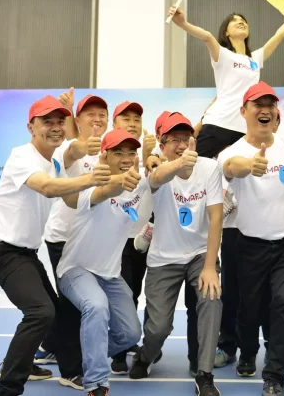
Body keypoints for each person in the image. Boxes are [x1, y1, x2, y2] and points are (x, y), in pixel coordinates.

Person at [0, 95, 110, 396]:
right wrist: (91, 178)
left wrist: (107, 188)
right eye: (46, 122)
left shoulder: (53, 160)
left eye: (58, 121)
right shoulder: (22, 156)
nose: (54, 127)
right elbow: (47, 188)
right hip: (4, 253)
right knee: (41, 312)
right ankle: (8, 385)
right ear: (31, 127)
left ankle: (37, 363)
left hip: (26, 253)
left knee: (54, 310)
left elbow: (69, 197)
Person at [218, 82, 284, 396]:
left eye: (271, 104)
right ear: (244, 111)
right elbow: (230, 168)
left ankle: (274, 377)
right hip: (248, 245)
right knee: (249, 308)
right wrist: (247, 165)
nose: (266, 110)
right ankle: (246, 350)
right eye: (258, 104)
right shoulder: (232, 152)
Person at [131, 113, 224, 396]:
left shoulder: (209, 168)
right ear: (162, 144)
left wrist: (210, 265)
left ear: (194, 141)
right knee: (159, 327)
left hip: (198, 254)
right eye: (174, 140)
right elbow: (156, 178)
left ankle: (204, 373)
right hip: (163, 258)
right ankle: (146, 355)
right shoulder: (157, 166)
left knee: (211, 298)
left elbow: (216, 216)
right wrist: (176, 163)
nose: (182, 145)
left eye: (187, 139)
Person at [55, 128, 148, 396]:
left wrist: (152, 161)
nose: (126, 157)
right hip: (76, 269)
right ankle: (96, 383)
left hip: (110, 274)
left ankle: (84, 356)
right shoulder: (90, 184)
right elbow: (104, 192)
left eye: (131, 152)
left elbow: (157, 176)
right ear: (104, 155)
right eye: (118, 152)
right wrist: (122, 180)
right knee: (96, 306)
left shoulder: (138, 183)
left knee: (130, 334)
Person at [33, 94, 109, 390]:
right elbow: (73, 151)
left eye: (102, 113)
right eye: (90, 114)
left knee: (76, 306)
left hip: (90, 242)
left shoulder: (110, 148)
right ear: (75, 121)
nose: (97, 119)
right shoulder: (67, 147)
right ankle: (71, 370)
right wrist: (79, 144)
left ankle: (46, 346)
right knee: (70, 306)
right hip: (63, 240)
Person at [167, 5, 284, 158]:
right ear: (226, 32)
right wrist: (182, 23)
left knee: (241, 177)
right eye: (235, 21)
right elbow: (207, 36)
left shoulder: (255, 59)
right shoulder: (222, 54)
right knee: (198, 168)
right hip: (217, 124)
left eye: (243, 20)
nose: (241, 22)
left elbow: (280, 35)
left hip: (244, 129)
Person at [109, 100, 155, 374]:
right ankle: (118, 350)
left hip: (146, 239)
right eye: (125, 118)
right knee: (124, 295)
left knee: (143, 293)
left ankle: (138, 344)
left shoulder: (151, 153)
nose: (132, 122)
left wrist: (150, 160)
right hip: (116, 240)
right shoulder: (107, 154)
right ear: (114, 124)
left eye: (137, 118)